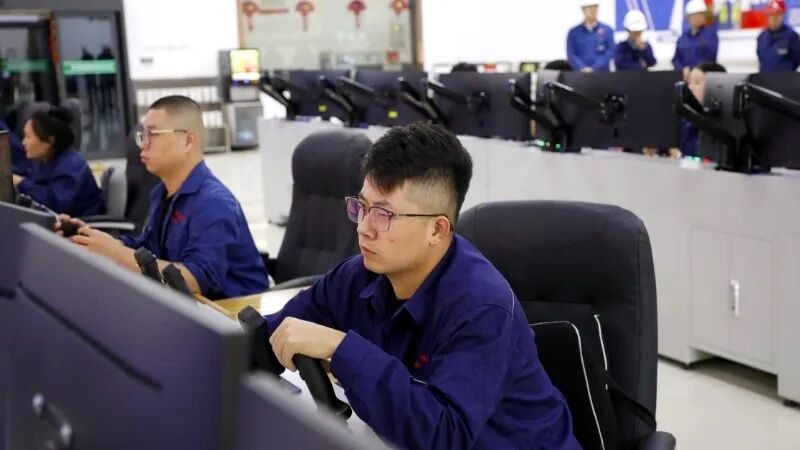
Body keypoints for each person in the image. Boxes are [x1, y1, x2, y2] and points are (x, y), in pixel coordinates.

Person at [261, 123, 580, 449]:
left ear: (437, 230)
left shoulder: (482, 308)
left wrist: (340, 348)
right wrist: (241, 347)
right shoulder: (358, 275)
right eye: (362, 207)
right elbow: (275, 334)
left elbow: (444, 436)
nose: (364, 228)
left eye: (383, 214)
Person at [60, 96, 269, 300]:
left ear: (188, 141)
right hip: (186, 305)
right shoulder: (162, 192)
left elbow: (196, 279)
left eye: (153, 134)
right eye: (142, 135)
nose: (143, 145)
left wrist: (117, 253)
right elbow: (150, 247)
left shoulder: (213, 203)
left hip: (234, 311)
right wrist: (96, 240)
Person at [13, 107, 103, 216]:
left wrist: (20, 182)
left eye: (28, 137)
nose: (23, 142)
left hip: (83, 223)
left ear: (49, 141)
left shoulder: (72, 166)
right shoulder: (43, 161)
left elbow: (55, 204)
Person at [681, 61, 727, 158]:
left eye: (697, 83)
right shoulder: (687, 118)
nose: (690, 88)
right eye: (689, 83)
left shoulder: (723, 125)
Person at [672, 0, 719, 80]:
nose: (698, 18)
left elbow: (710, 57)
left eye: (701, 15)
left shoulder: (710, 35)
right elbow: (676, 59)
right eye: (694, 15)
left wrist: (694, 70)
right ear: (688, 17)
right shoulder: (683, 38)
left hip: (704, 78)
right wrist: (682, 69)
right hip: (685, 78)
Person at [566, 1, 615, 72]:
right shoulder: (573, 32)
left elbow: (610, 52)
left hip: (602, 74)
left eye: (595, 7)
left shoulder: (607, 30)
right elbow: (571, 54)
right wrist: (582, 68)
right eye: (589, 7)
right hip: (580, 74)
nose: (592, 10)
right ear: (583, 9)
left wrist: (594, 68)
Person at [757, 0, 800, 73]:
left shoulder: (792, 36)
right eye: (771, 14)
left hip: (785, 78)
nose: (774, 18)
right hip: (765, 77)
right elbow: (761, 57)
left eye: (777, 15)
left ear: (782, 15)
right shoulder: (762, 37)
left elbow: (796, 59)